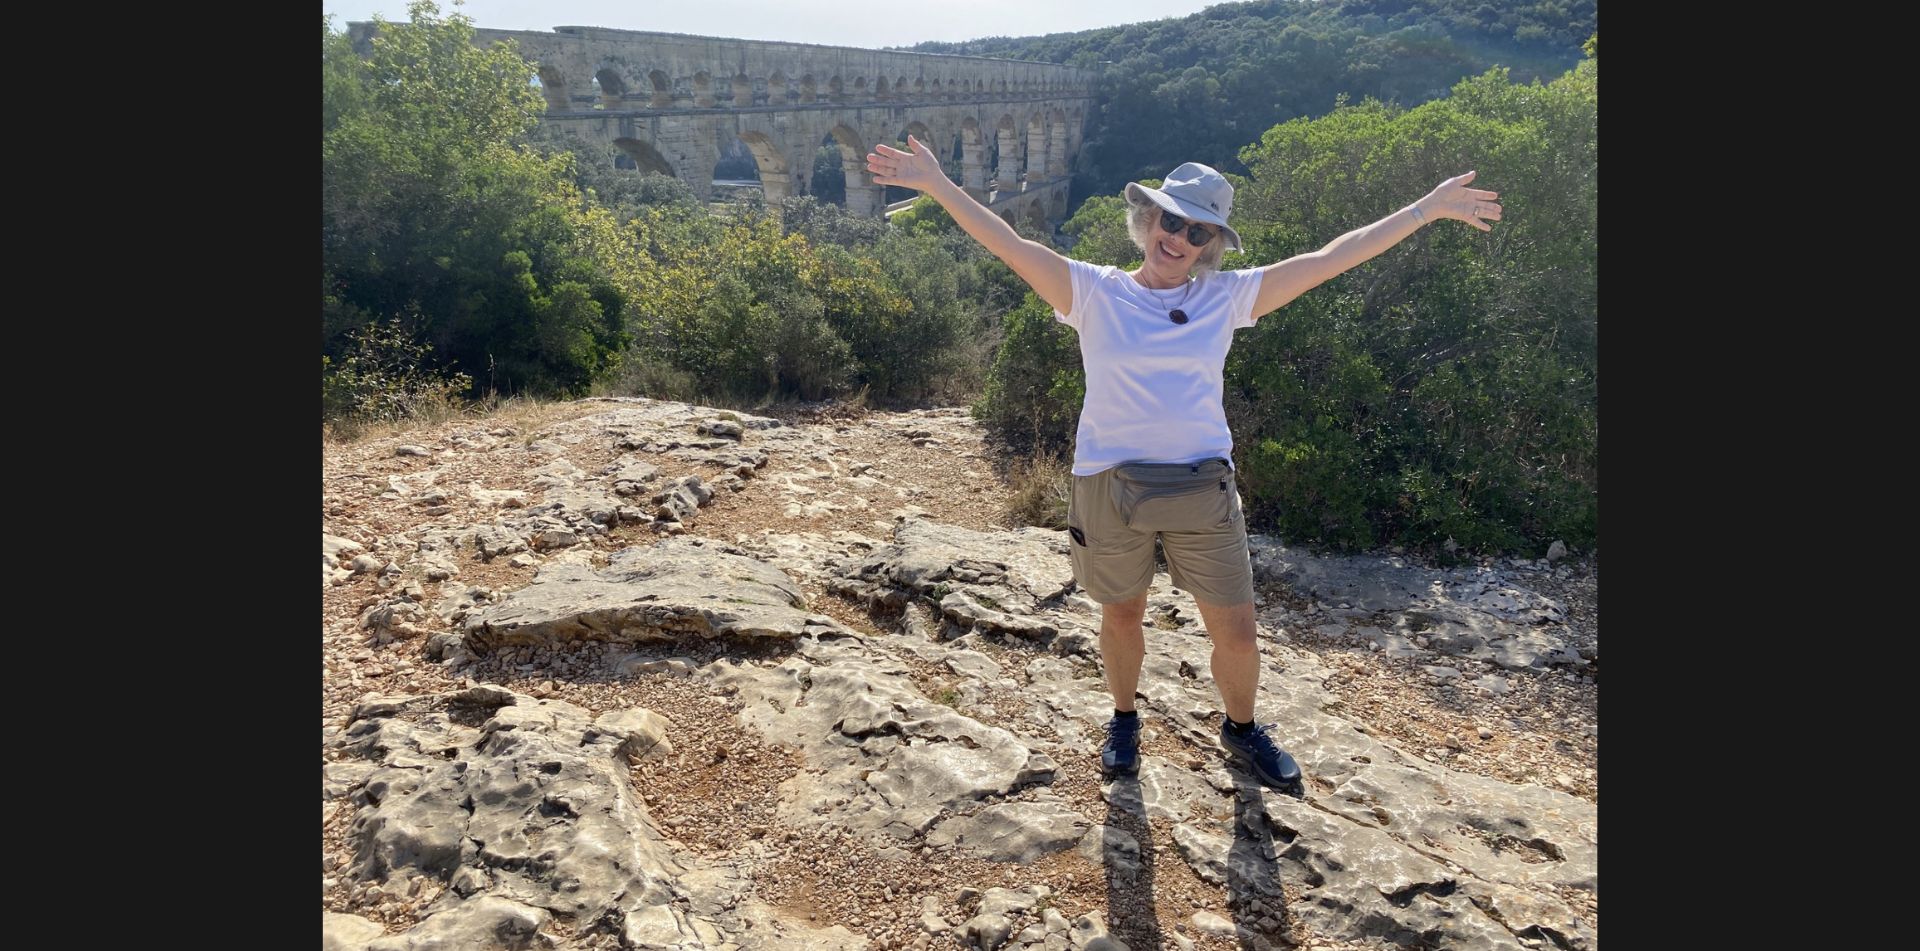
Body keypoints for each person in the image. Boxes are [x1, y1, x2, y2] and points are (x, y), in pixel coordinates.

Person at [866, 138, 1500, 790]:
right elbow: (1008, 244)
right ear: (1149, 220)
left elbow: (1331, 257)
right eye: (1171, 221)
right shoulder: (1092, 290)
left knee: (1239, 633)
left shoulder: (1223, 297)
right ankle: (1123, 717)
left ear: (1209, 243)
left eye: (1196, 231)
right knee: (1121, 616)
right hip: (1109, 483)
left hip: (1202, 484)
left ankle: (1242, 726)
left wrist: (1426, 208)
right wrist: (940, 186)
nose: (1179, 238)